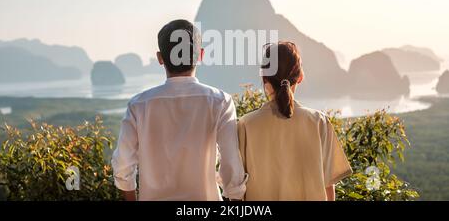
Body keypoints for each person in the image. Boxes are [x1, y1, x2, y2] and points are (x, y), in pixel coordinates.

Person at [112, 19, 247, 201]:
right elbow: (231, 166)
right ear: (200, 55)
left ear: (160, 58)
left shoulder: (138, 105)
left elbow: (123, 166)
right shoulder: (220, 102)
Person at [238, 41, 352, 201]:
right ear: (300, 77)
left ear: (264, 78)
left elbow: (236, 188)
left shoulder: (245, 125)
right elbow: (328, 187)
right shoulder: (319, 122)